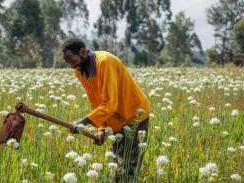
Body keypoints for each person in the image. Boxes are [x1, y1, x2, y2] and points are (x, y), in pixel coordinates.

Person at [17, 37, 150, 182]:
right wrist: (101, 129)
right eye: (69, 64)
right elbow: (96, 101)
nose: (72, 67)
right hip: (115, 121)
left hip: (134, 116)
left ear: (82, 52)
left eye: (73, 62)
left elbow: (110, 103)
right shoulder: (80, 71)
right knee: (115, 167)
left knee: (127, 170)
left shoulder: (104, 62)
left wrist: (82, 123)